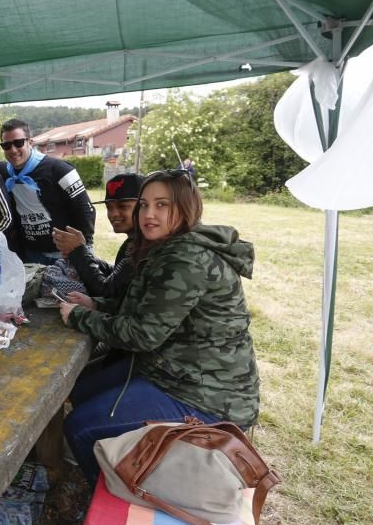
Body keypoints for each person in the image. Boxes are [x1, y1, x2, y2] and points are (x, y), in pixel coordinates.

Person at [58, 170, 259, 485]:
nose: (149, 214)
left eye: (162, 205)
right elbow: (147, 309)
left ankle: (113, 501)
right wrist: (98, 306)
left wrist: (79, 317)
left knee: (81, 427)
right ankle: (124, 468)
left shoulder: (186, 259)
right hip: (174, 370)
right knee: (80, 389)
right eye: (145, 205)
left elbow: (142, 334)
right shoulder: (168, 247)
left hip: (207, 394)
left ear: (185, 208)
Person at [0, 119, 96, 265]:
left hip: (64, 255)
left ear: (30, 142)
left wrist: (85, 249)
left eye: (18, 143)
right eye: (6, 145)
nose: (13, 150)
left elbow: (85, 209)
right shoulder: (2, 171)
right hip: (29, 255)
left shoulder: (60, 170)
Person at [52, 173, 144, 299]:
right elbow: (117, 273)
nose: (113, 214)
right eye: (109, 207)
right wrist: (83, 254)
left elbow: (106, 291)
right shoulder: (134, 240)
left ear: (144, 206)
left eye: (123, 206)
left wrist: (79, 252)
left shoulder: (144, 246)